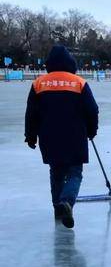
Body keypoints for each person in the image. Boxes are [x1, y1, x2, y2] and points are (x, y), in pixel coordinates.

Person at [25, 45, 99, 229]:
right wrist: (92, 130)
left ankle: (59, 208)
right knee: (75, 173)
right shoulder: (78, 83)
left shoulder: (39, 84)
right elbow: (92, 110)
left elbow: (31, 113)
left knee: (56, 173)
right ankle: (67, 201)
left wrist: (31, 136)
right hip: (75, 135)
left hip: (49, 137)